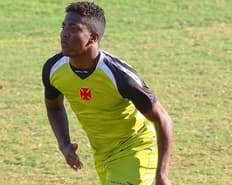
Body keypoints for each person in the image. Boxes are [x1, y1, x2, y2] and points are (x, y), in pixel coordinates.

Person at [42, 1, 173, 185]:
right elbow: (54, 107)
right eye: (64, 27)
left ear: (93, 38)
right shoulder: (53, 69)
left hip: (136, 150)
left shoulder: (120, 76)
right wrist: (64, 144)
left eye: (74, 28)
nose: (64, 33)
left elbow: (163, 119)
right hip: (102, 155)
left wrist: (162, 175)